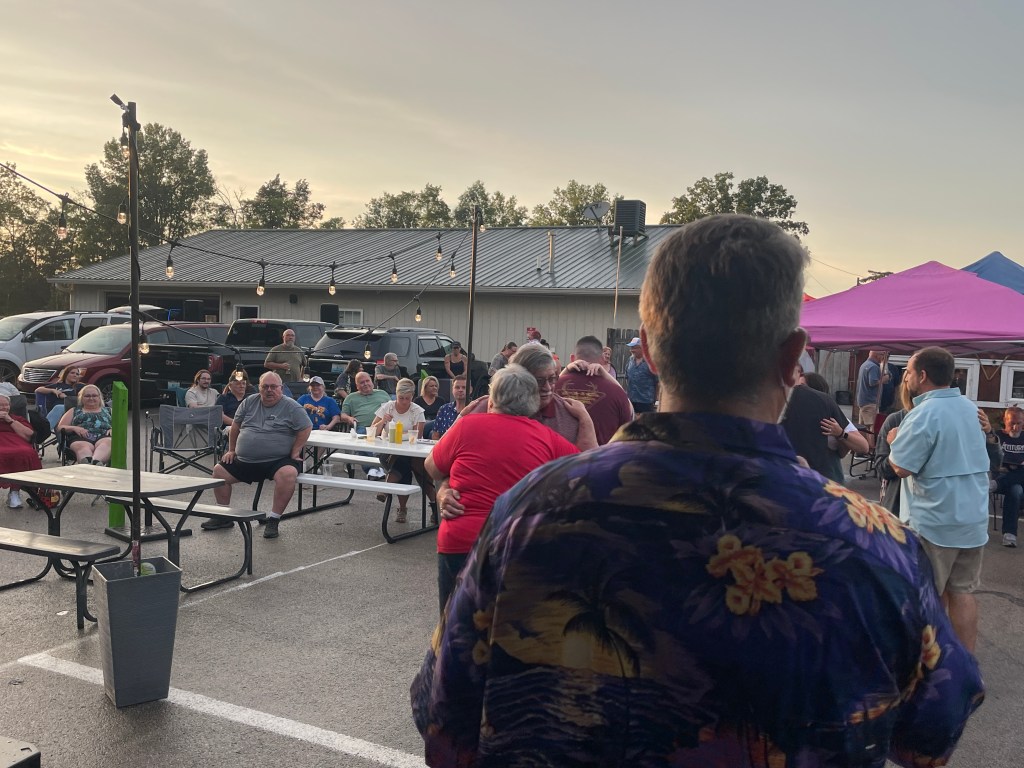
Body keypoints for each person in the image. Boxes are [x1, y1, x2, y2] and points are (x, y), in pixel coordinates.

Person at [412, 214, 983, 766]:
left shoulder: (531, 511)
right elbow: (933, 735)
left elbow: (444, 723)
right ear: (792, 358)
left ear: (648, 349)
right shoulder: (874, 544)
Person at [425, 365, 578, 613]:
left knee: (453, 624)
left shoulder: (467, 426)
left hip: (462, 539)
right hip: (518, 545)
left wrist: (445, 485)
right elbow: (586, 475)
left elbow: (432, 467)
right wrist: (585, 421)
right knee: (508, 627)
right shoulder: (548, 439)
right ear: (532, 402)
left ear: (492, 399)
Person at [889, 346, 990, 653]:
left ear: (922, 376)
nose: (905, 378)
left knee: (929, 596)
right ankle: (965, 664)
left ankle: (930, 665)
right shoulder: (970, 408)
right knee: (962, 592)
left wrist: (894, 441)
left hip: (936, 521)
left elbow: (901, 467)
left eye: (908, 372)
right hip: (973, 518)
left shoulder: (924, 414)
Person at [210, 372, 311, 539]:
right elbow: (235, 426)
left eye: (273, 387)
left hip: (277, 461)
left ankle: (274, 519)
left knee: (288, 474)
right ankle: (223, 516)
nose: (269, 390)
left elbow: (306, 427)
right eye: (265, 386)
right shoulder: (249, 401)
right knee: (219, 471)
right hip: (245, 460)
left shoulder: (292, 407)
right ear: (259, 388)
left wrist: (296, 450)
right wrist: (231, 450)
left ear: (281, 388)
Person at [460, 344, 597, 451]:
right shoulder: (488, 405)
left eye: (552, 379)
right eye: (539, 381)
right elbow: (455, 452)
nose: (548, 387)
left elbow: (588, 463)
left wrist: (585, 419)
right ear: (518, 377)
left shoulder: (568, 413)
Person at [782, 371, 869, 483]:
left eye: (802, 386)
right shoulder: (793, 414)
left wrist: (841, 434)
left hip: (829, 479)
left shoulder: (831, 415)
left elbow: (863, 447)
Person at [369, 378, 431, 524]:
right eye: (400, 398)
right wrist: (383, 421)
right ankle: (401, 508)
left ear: (412, 397)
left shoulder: (417, 411)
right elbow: (372, 432)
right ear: (396, 395)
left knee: (403, 462)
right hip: (387, 451)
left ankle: (386, 490)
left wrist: (401, 435)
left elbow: (417, 436)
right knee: (403, 464)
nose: (403, 401)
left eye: (407, 398)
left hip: (408, 452)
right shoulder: (387, 407)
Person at [555, 335, 633, 445]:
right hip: (602, 455)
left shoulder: (553, 387)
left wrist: (566, 370)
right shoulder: (616, 393)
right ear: (601, 359)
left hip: (558, 455)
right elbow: (627, 423)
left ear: (572, 358)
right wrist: (604, 373)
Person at [0, 394, 43, 508]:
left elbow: (29, 435)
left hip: (17, 443)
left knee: (26, 453)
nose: (4, 408)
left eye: (6, 405)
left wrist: (10, 421)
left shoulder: (16, 419)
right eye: (0, 405)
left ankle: (14, 492)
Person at [56, 384, 112, 465]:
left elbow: (120, 426)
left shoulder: (109, 411)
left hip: (105, 436)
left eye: (94, 395)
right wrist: (75, 428)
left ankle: (95, 462)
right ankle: (88, 463)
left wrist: (113, 429)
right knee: (83, 447)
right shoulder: (74, 410)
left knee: (107, 444)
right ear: (81, 398)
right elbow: (60, 427)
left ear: (99, 397)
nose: (91, 398)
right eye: (87, 396)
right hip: (80, 438)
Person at [993, 405, 1024, 547]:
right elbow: (986, 458)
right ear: (1005, 420)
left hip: (1019, 478)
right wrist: (997, 466)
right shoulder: (997, 437)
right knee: (1015, 489)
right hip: (1001, 475)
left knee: (1018, 481)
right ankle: (1009, 535)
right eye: (1012, 423)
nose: (1015, 427)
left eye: (1019, 423)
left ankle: (1009, 534)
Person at [856, 350, 890, 428]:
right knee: (872, 428)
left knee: (862, 427)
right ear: (877, 355)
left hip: (863, 401)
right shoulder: (873, 367)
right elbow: (873, 382)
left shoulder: (864, 364)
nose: (883, 358)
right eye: (882, 355)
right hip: (870, 402)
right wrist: (885, 378)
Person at [625, 335, 658, 413]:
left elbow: (657, 382)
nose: (632, 350)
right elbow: (627, 377)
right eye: (631, 348)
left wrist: (655, 398)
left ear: (642, 348)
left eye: (634, 348)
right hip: (631, 400)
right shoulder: (630, 360)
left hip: (646, 401)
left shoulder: (650, 362)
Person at [431, 375, 466, 439]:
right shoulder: (443, 409)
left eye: (464, 387)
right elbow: (435, 435)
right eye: (457, 387)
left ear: (470, 390)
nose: (460, 390)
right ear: (452, 390)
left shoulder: (475, 410)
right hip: (444, 444)